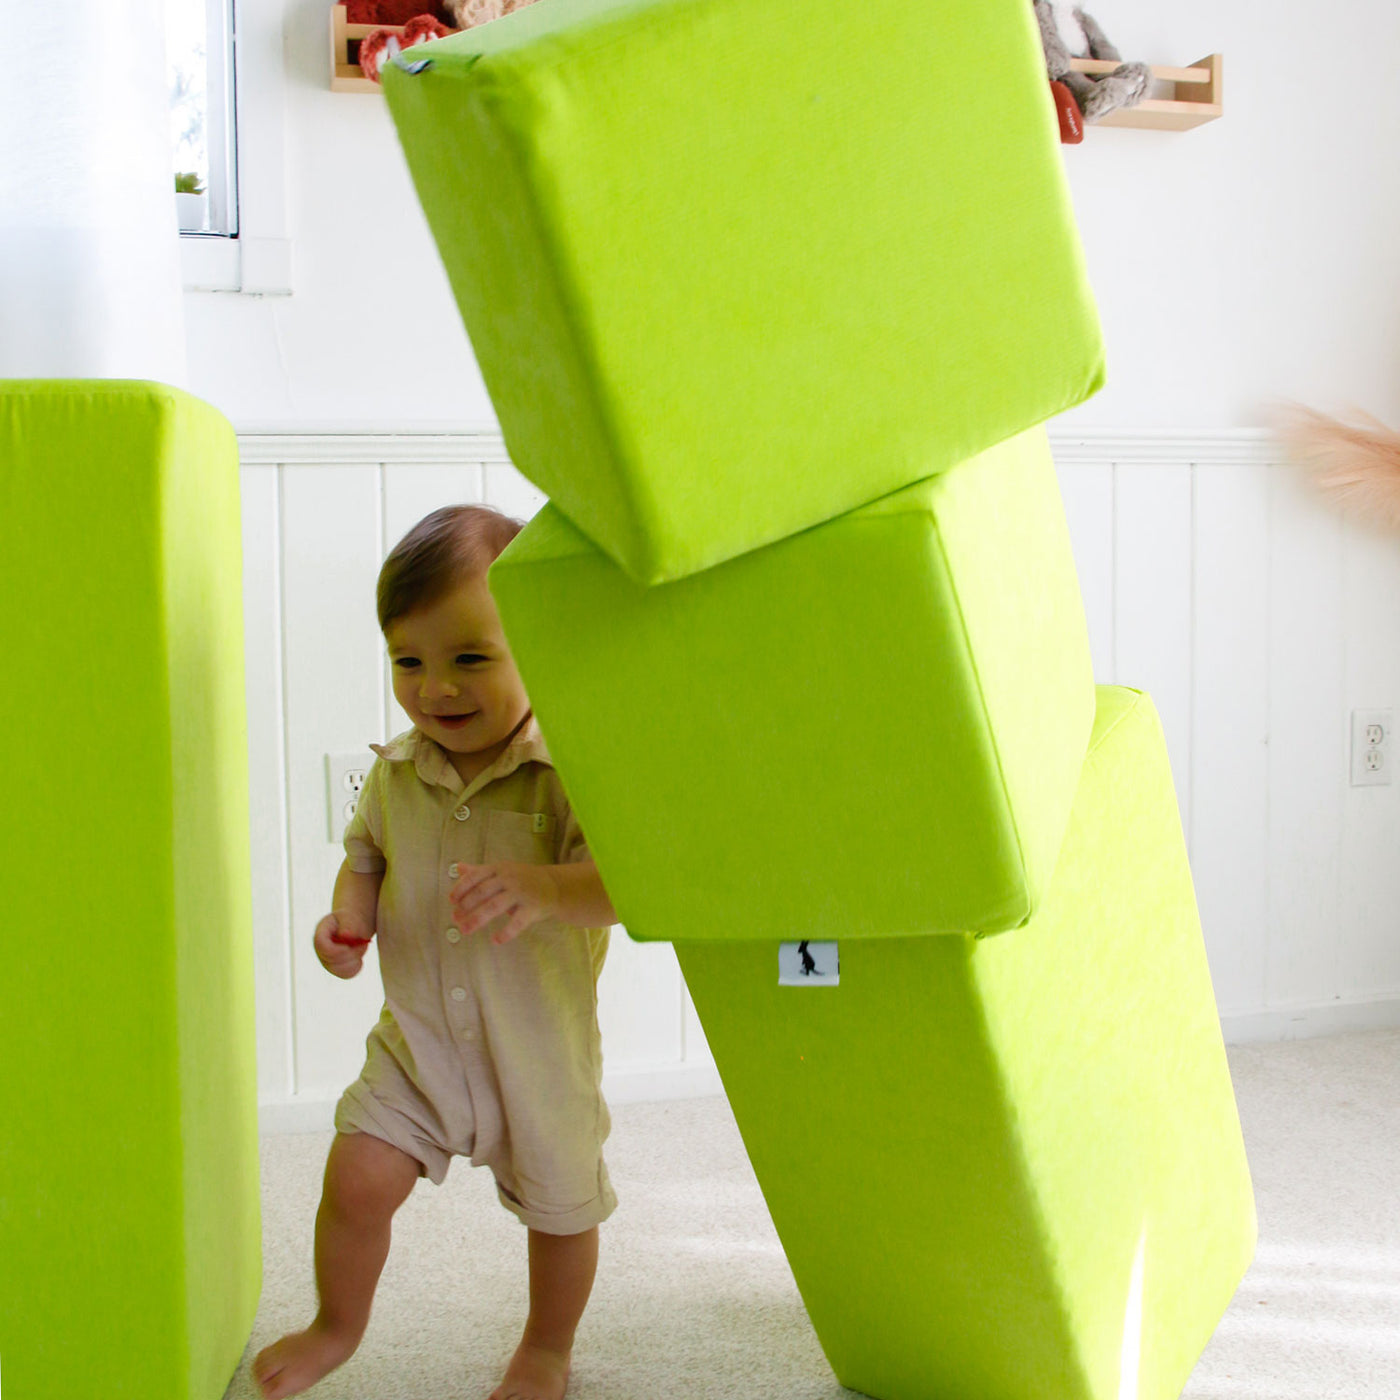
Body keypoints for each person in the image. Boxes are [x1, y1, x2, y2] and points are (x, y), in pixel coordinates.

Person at [254, 504, 617, 1400]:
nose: (436, 688)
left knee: (562, 1210)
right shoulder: (394, 773)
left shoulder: (571, 771)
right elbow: (365, 857)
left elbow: (624, 889)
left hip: (538, 1051)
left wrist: (546, 889)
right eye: (408, 662)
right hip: (417, 1045)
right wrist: (347, 922)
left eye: (470, 659)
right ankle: (336, 1325)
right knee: (355, 1176)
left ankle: (547, 1349)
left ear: (538, 647)